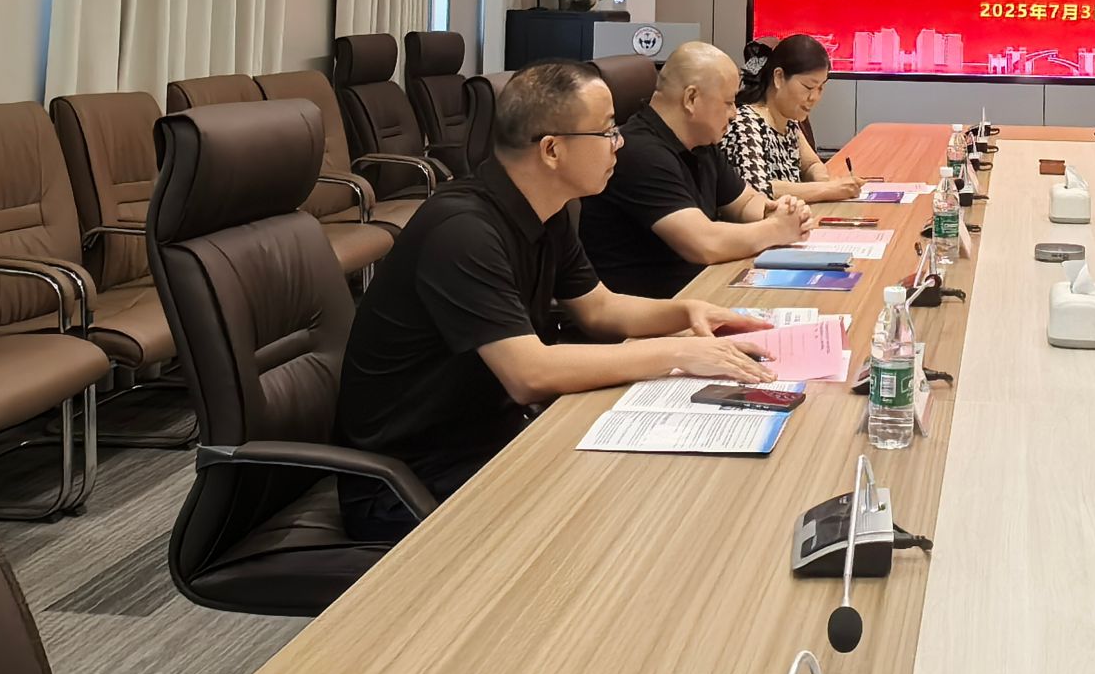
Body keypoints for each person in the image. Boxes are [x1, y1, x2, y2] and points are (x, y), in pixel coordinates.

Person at [334, 61, 777, 541]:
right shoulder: (462, 231)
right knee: (634, 518)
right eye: (606, 131)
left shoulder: (549, 211)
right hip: (410, 481)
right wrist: (678, 352)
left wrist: (686, 313)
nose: (619, 143)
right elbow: (530, 374)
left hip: (495, 438)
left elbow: (599, 309)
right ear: (551, 149)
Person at [578, 41, 814, 297]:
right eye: (728, 103)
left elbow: (744, 202)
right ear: (691, 99)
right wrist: (777, 229)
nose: (734, 114)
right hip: (656, 308)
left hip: (701, 290)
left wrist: (777, 211)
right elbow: (704, 244)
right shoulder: (639, 152)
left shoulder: (701, 141)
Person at [723, 35, 864, 202]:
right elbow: (757, 189)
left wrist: (822, 179)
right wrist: (829, 189)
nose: (814, 97)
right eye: (808, 87)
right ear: (779, 77)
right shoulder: (745, 124)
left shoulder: (789, 122)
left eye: (820, 88)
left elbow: (811, 164)